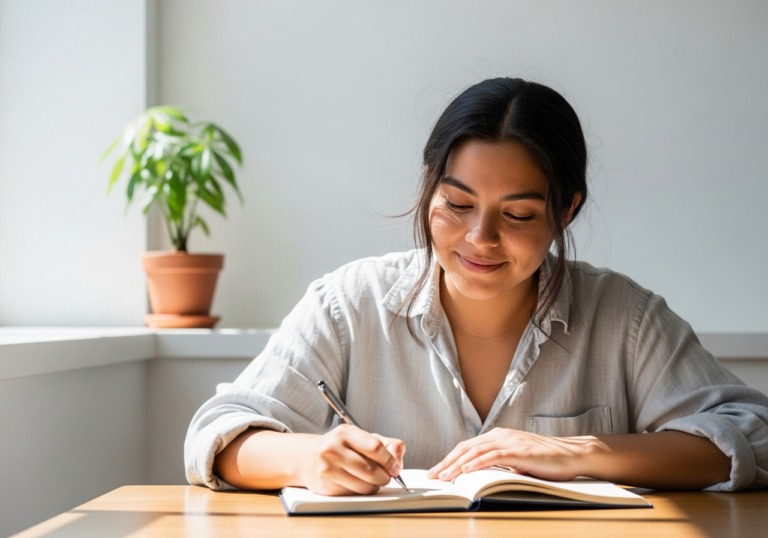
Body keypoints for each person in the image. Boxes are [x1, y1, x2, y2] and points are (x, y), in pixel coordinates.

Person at [185, 78, 768, 495]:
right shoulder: (350, 303)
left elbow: (754, 435)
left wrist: (578, 453)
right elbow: (217, 434)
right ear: (428, 188)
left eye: (516, 216)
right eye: (457, 204)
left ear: (566, 210)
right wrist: (307, 457)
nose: (479, 238)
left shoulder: (624, 316)